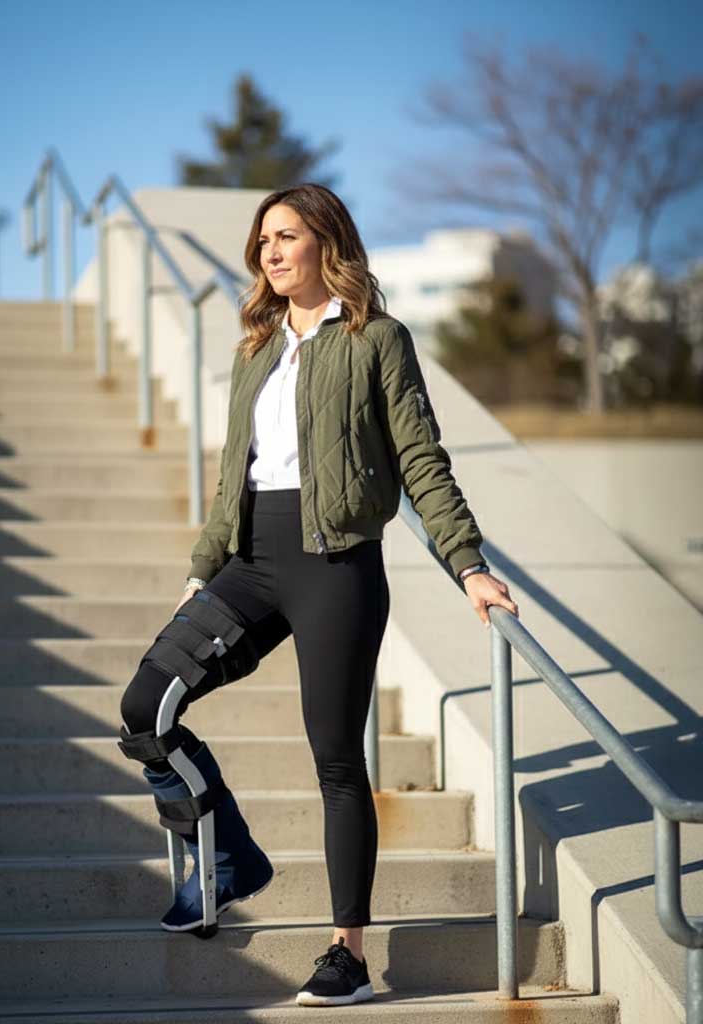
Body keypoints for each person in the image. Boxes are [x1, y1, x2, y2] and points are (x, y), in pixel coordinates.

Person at [118, 183, 519, 1008]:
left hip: (336, 566)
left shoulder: (377, 339)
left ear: (325, 243)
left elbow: (420, 458)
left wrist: (467, 562)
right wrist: (204, 566)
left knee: (337, 759)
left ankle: (349, 954)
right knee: (145, 706)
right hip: (251, 562)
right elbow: (233, 475)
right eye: (263, 239)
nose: (271, 251)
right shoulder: (256, 348)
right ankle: (228, 855)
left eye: (287, 236)